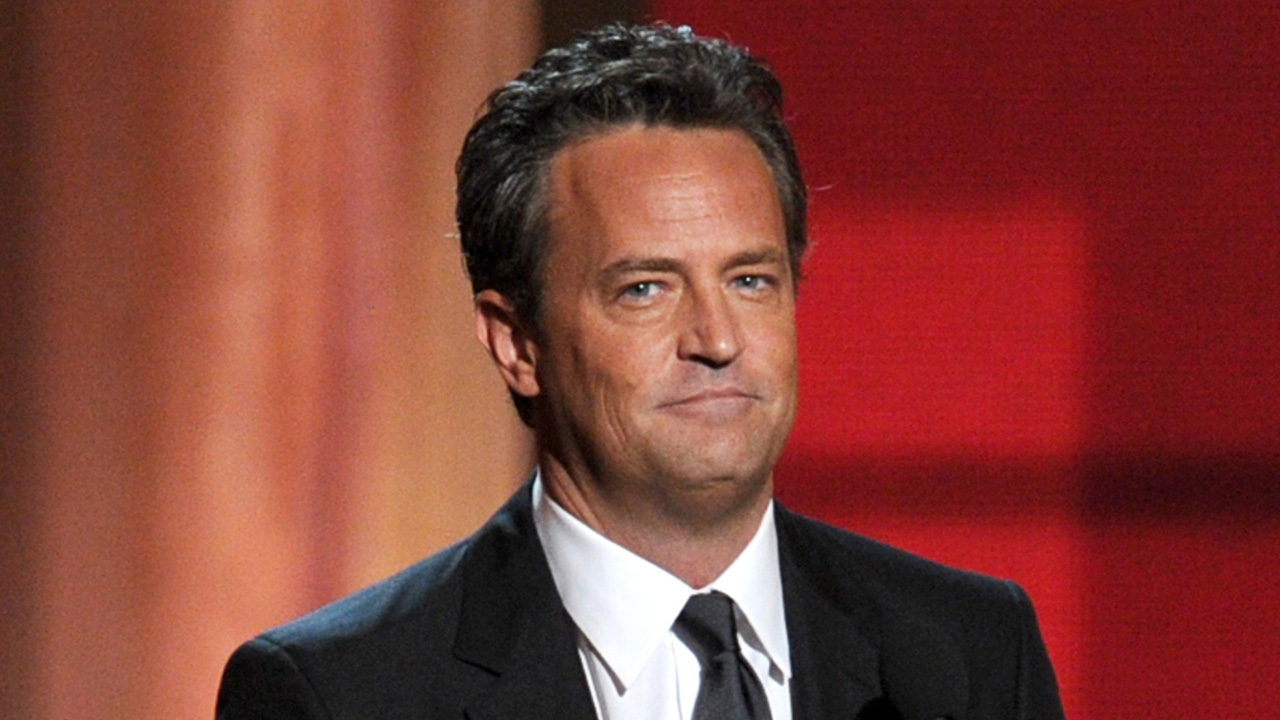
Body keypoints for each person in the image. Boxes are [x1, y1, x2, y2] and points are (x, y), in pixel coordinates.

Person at [216, 23, 1065, 720]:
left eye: (750, 280)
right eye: (645, 289)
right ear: (516, 343)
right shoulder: (339, 696)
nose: (717, 339)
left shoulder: (972, 656)